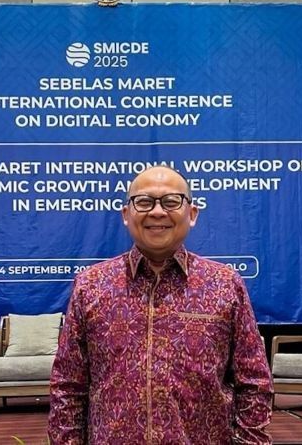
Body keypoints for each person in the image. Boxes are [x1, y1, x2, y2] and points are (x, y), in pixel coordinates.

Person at [48, 165, 274, 444]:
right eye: (144, 202)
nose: (157, 212)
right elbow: (68, 386)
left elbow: (254, 383)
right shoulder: (91, 285)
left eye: (171, 201)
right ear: (126, 214)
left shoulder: (225, 284)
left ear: (192, 214)